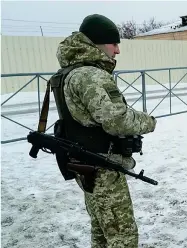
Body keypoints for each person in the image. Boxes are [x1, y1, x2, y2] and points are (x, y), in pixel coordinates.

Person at [54, 14, 157, 247]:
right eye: (114, 43)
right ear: (97, 44)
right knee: (122, 237)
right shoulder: (90, 76)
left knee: (101, 230)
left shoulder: (69, 73)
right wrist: (149, 121)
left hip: (85, 164)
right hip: (102, 169)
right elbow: (117, 120)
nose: (117, 50)